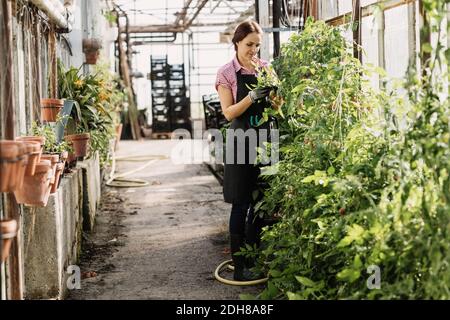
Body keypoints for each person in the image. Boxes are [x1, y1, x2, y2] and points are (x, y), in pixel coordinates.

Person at [215, 20, 276, 281]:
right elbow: (228, 113)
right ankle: (240, 266)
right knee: (241, 203)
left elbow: (277, 104)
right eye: (249, 44)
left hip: (265, 141)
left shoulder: (266, 69)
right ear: (237, 42)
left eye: (257, 45)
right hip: (241, 141)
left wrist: (275, 97)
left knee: (262, 203)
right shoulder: (226, 73)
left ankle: (254, 258)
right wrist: (251, 97)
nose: (253, 50)